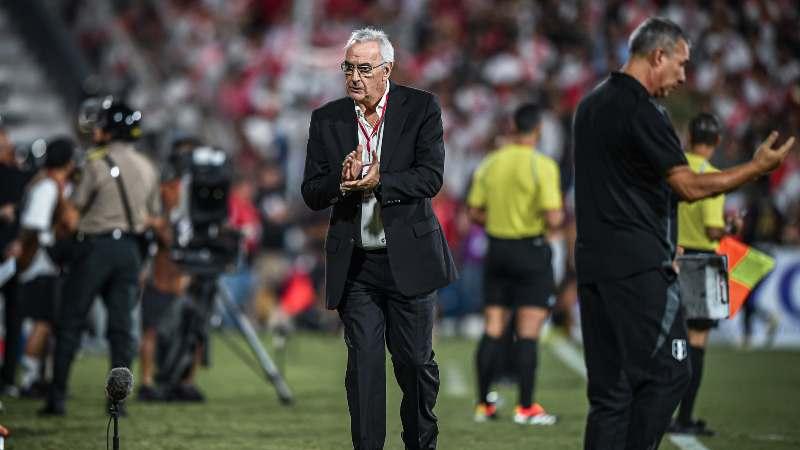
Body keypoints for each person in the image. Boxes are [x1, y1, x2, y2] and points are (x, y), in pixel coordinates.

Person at [572, 17, 795, 449]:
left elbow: (626, 184)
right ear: (658, 56)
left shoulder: (591, 105)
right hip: (638, 266)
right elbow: (688, 185)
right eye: (681, 63)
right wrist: (755, 168)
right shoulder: (643, 111)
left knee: (610, 393)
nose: (684, 76)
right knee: (670, 373)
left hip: (594, 263)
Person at [301, 27, 457, 450]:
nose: (354, 76)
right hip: (358, 266)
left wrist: (380, 180)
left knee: (414, 363)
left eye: (364, 68)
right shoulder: (327, 118)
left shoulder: (421, 107)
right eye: (348, 67)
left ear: (387, 70)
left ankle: (421, 443)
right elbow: (311, 192)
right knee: (364, 367)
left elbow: (431, 177)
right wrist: (341, 181)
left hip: (410, 259)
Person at [41, 99, 161, 416]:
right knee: (121, 330)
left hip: (95, 247)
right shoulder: (148, 167)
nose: (96, 130)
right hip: (130, 251)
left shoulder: (95, 164)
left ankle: (57, 398)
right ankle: (117, 403)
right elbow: (154, 215)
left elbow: (72, 213)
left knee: (70, 322)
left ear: (110, 130)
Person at [466, 103, 562, 425]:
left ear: (513, 127)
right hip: (530, 249)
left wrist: (500, 220)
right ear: (538, 130)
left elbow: (474, 212)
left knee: (493, 327)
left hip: (497, 249)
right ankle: (526, 407)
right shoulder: (542, 165)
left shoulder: (491, 162)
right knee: (528, 332)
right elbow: (554, 217)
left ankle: (483, 405)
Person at [668, 113, 730, 436]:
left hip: (671, 256)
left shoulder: (674, 168)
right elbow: (713, 229)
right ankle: (685, 417)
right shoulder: (713, 176)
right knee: (696, 342)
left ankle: (659, 410)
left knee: (668, 338)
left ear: (689, 137)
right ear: (717, 141)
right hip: (703, 261)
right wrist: (731, 226)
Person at [14, 137, 76, 397]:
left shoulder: (48, 184)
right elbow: (35, 225)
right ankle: (29, 380)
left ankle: (38, 377)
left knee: (45, 322)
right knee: (42, 322)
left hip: (43, 263)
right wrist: (43, 251)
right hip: (41, 264)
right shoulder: (48, 186)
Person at [0, 120, 31, 397]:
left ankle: (9, 376)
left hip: (12, 256)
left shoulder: (20, 176)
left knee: (15, 318)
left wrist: (20, 241)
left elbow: (28, 214)